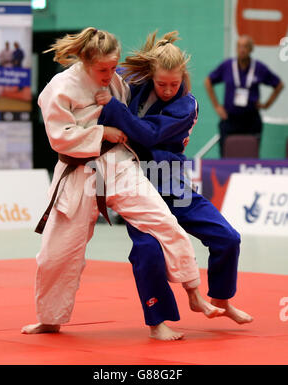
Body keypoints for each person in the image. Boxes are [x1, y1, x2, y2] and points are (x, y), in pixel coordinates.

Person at [21, 27, 224, 337]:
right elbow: (59, 137)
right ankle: (50, 318)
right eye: (103, 69)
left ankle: (194, 290)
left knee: (165, 223)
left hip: (118, 164)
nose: (111, 74)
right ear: (86, 61)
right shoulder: (59, 88)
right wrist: (101, 132)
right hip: (78, 173)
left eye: (114, 67)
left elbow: (135, 112)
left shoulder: (116, 82)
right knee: (55, 253)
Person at [96, 31, 253, 336]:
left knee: (227, 238)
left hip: (173, 185)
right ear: (151, 75)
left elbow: (149, 135)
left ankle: (220, 297)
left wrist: (114, 110)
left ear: (183, 77)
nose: (168, 90)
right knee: (148, 251)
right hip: (137, 185)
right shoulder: (135, 86)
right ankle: (158, 322)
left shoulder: (187, 106)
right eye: (161, 83)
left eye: (174, 83)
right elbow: (101, 71)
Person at [204, 35, 284, 157]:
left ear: (251, 49)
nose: (242, 49)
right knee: (226, 155)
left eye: (246, 46)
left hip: (251, 120)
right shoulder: (228, 66)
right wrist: (217, 106)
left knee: (250, 155)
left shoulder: (258, 68)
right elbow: (208, 81)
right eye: (239, 46)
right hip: (230, 119)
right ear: (236, 49)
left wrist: (267, 104)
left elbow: (279, 85)